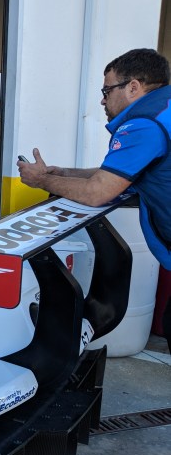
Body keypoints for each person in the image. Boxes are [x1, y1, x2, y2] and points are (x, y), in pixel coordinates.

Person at [18, 48, 171, 350]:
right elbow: (119, 173)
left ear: (133, 87)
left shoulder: (144, 124)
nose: (102, 100)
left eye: (106, 90)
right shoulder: (163, 109)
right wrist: (64, 173)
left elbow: (97, 193)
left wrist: (41, 180)